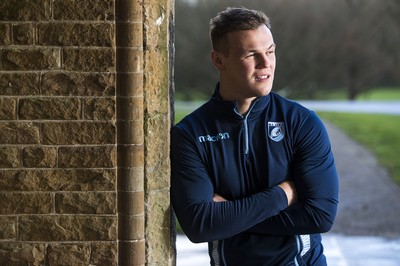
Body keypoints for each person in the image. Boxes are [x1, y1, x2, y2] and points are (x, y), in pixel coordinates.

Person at [171, 6, 338, 266]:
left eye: (270, 51)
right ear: (218, 60)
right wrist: (281, 196)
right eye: (252, 54)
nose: (266, 63)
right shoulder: (191, 135)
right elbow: (200, 225)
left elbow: (320, 215)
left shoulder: (301, 123)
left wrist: (228, 216)